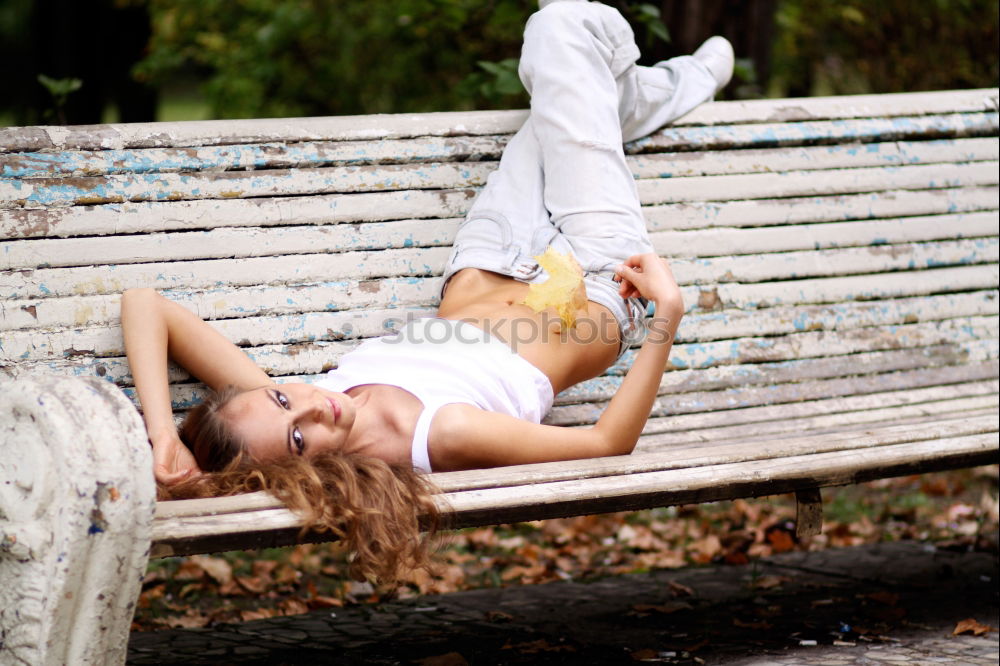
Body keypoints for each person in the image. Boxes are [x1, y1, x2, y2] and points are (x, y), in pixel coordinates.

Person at [121, 0, 734, 581]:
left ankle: (632, 94)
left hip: (494, 252)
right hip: (601, 280)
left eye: (284, 399)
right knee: (560, 27)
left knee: (565, 100)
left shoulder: (310, 403)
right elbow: (605, 445)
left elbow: (147, 307)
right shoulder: (440, 434)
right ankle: (657, 87)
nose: (316, 407)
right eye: (301, 438)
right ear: (307, 474)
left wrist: (165, 437)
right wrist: (667, 316)